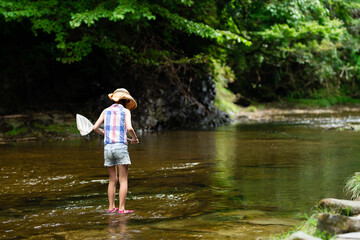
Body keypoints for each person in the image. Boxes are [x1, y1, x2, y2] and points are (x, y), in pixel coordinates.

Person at [93, 88, 139, 213]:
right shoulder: (125, 112)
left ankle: (111, 207)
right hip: (120, 146)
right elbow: (129, 128)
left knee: (112, 179)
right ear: (126, 101)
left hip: (108, 147)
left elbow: (95, 127)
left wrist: (104, 133)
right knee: (123, 180)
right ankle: (122, 209)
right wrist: (134, 138)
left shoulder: (105, 111)